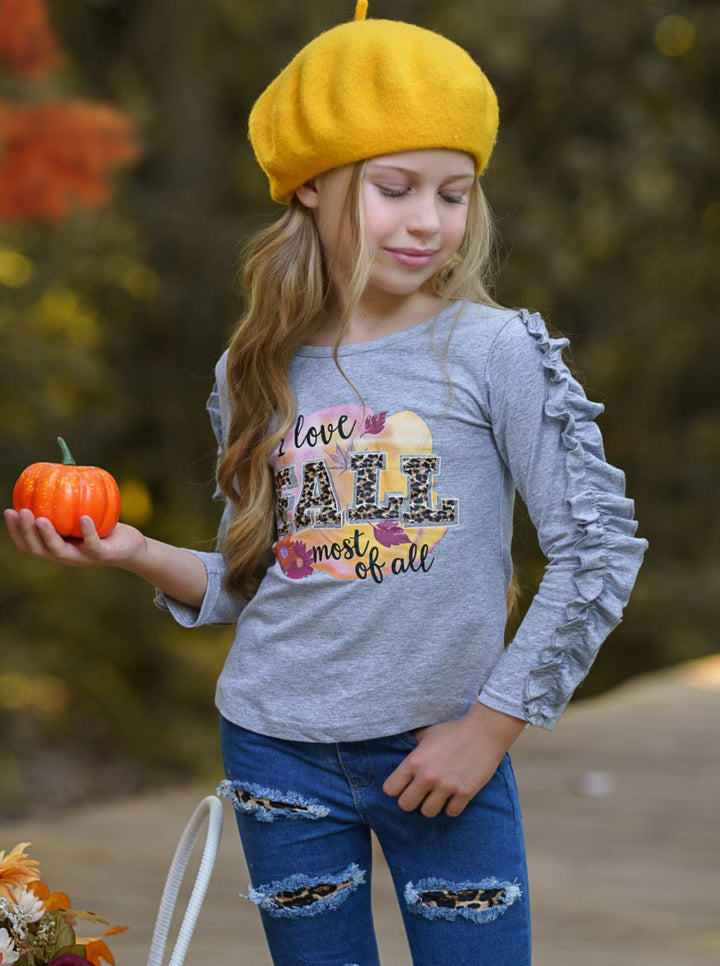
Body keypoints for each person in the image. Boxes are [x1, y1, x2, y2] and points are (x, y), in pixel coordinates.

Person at [4, 3, 648, 963]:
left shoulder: (493, 351)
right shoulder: (253, 369)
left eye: (455, 193)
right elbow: (259, 581)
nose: (428, 221)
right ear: (310, 185)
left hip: (443, 753)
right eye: (394, 188)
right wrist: (131, 550)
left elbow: (596, 552)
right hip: (275, 754)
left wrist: (487, 731)